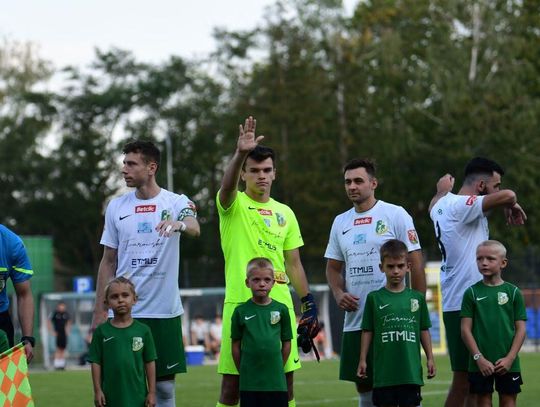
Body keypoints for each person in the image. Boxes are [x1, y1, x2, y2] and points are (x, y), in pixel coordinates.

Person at [216, 116, 319, 407]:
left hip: (279, 306)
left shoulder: (286, 212)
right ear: (243, 175)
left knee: (286, 384)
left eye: (267, 170)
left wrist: (308, 302)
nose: (261, 175)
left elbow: (293, 263)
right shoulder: (233, 204)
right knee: (231, 387)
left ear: (275, 174)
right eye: (254, 170)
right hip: (240, 304)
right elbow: (226, 188)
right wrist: (240, 153)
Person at [92, 140, 200, 407]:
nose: (124, 169)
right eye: (124, 163)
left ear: (152, 168)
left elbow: (194, 226)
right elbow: (108, 261)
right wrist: (99, 311)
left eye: (131, 164)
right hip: (124, 312)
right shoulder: (116, 207)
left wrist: (178, 225)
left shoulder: (176, 201)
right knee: (122, 387)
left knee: (164, 390)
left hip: (164, 312)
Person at [325, 158, 425, 407]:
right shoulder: (340, 222)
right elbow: (333, 268)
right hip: (357, 318)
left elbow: (416, 262)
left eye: (358, 181)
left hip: (395, 317)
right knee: (364, 382)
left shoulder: (395, 214)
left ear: (373, 183)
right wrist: (338, 293)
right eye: (348, 182)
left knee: (404, 383)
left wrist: (416, 308)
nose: (352, 186)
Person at [429, 157, 526, 406]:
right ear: (481, 186)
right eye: (495, 185)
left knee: (474, 385)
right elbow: (509, 195)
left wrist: (441, 191)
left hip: (462, 298)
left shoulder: (440, 204)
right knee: (463, 382)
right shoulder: (462, 206)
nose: (498, 189)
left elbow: (435, 202)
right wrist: (510, 203)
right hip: (465, 302)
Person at [357, 239, 435, 407]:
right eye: (390, 266)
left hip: (410, 373)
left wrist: (430, 358)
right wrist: (363, 359)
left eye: (400, 266)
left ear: (408, 266)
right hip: (384, 375)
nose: (396, 271)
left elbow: (423, 329)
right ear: (381, 267)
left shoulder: (416, 298)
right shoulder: (374, 298)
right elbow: (367, 330)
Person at [460, 240, 527, 407]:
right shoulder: (471, 293)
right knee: (483, 402)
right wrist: (479, 358)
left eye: (490, 258)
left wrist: (510, 358)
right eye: (479, 258)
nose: (484, 263)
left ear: (503, 263)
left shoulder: (513, 292)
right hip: (480, 363)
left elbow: (521, 329)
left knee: (508, 402)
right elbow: (465, 330)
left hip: (508, 363)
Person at [231, 257, 292, 407]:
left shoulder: (282, 309)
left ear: (273, 282)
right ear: (247, 282)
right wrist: (243, 370)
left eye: (267, 279)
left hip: (276, 381)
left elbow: (287, 343)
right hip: (249, 382)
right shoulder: (240, 311)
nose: (262, 284)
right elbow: (235, 346)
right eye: (256, 280)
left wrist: (278, 366)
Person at [89, 277, 157, 407]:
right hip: (110, 398)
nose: (120, 300)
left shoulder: (143, 331)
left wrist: (152, 392)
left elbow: (150, 362)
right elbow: (96, 362)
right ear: (107, 303)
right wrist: (97, 391)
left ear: (134, 299)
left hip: (138, 397)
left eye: (125, 295)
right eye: (114, 297)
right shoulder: (101, 332)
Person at [0, 224, 35, 362]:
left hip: (1, 321)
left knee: (4, 375)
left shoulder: (11, 244)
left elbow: (24, 294)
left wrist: (27, 339)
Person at [48, 301, 71, 370]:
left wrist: (68, 330)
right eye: (61, 306)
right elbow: (48, 321)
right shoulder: (55, 314)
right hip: (57, 333)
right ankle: (56, 364)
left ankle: (62, 364)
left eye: (63, 306)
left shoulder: (66, 314)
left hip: (63, 334)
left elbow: (69, 322)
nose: (62, 307)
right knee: (58, 349)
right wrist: (51, 331)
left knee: (63, 349)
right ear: (58, 306)